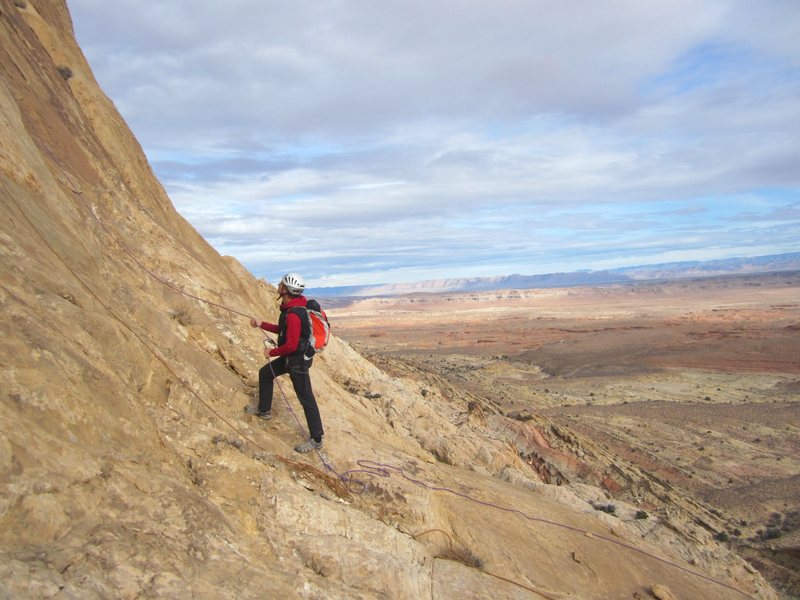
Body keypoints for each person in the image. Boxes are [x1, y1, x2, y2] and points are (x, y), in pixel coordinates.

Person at [245, 272, 324, 453]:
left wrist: (271, 352)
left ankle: (317, 439)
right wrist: (261, 324)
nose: (278, 285)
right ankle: (264, 411)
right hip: (291, 359)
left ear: (286, 290)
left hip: (297, 363)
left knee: (306, 399)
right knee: (266, 374)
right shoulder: (290, 309)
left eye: (281, 284)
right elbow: (282, 330)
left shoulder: (294, 315)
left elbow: (290, 345)